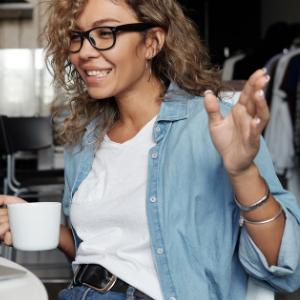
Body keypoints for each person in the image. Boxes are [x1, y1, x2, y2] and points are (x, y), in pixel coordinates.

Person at [1, 0, 300, 299]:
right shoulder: (84, 138)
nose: (85, 51)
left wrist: (243, 172)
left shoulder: (215, 127)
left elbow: (287, 268)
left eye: (105, 33)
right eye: (77, 37)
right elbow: (103, 255)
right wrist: (50, 231)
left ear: (152, 42)